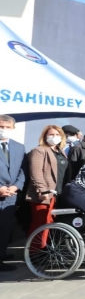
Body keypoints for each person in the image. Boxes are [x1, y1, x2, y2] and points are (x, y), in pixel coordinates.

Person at [26, 125, 73, 241]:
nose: (54, 137)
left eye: (57, 135)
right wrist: (42, 190)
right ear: (45, 136)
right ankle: (35, 249)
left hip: (59, 193)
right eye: (51, 134)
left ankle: (46, 249)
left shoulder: (61, 152)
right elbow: (36, 173)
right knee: (41, 224)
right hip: (45, 194)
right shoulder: (39, 150)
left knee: (51, 223)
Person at [0, 115, 25, 271]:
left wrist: (16, 186)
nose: (3, 130)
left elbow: (23, 170)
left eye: (7, 127)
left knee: (5, 228)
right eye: (1, 126)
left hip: (10, 196)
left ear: (13, 129)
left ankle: (1, 255)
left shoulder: (19, 147)